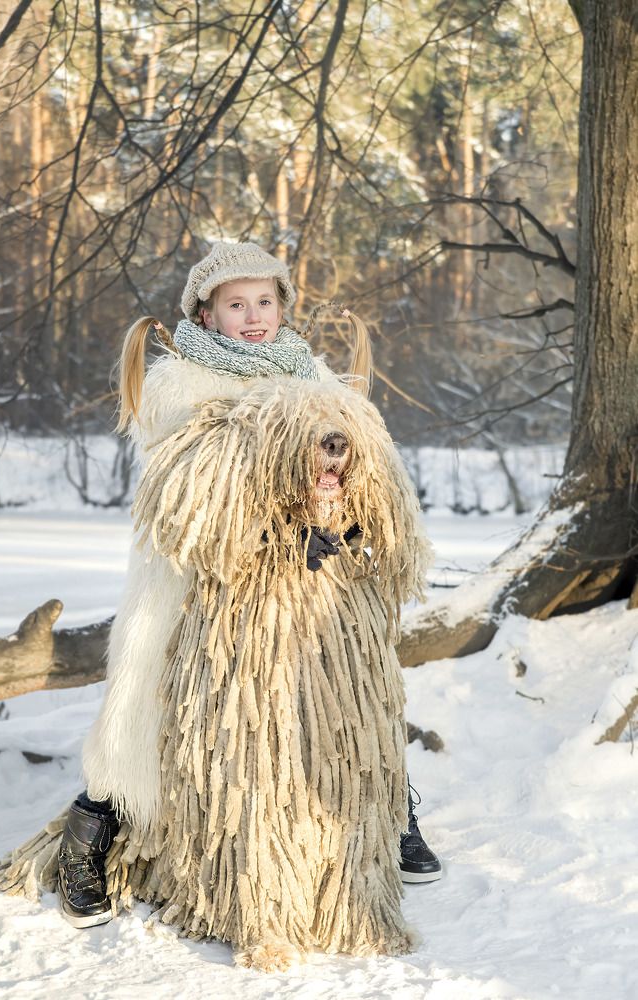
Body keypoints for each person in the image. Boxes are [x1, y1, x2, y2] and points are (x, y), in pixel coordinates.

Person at [57, 241, 441, 929]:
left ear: (283, 307)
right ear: (206, 314)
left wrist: (350, 512)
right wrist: (270, 509)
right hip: (196, 578)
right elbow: (190, 487)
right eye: (236, 304)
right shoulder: (181, 384)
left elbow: (362, 454)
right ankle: (93, 830)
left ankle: (390, 810)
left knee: (344, 696)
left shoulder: (312, 374)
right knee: (147, 699)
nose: (254, 316)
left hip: (302, 582)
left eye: (265, 301)